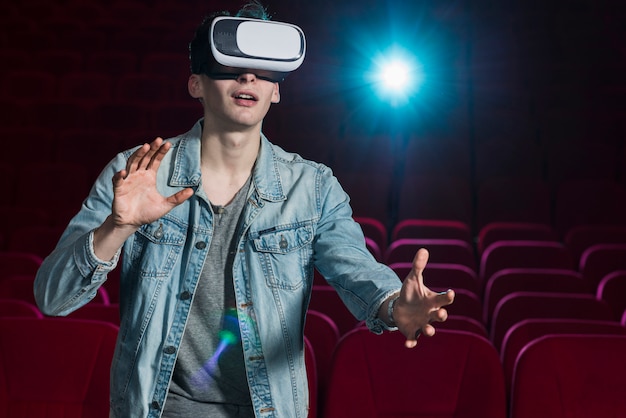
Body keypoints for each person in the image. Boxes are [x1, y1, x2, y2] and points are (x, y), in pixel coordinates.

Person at [34, 2, 455, 417]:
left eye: (263, 68)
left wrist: (394, 305)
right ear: (196, 83)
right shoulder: (138, 173)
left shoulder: (312, 188)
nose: (248, 75)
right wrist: (117, 226)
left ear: (276, 89)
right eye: (230, 63)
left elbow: (355, 269)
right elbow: (53, 299)